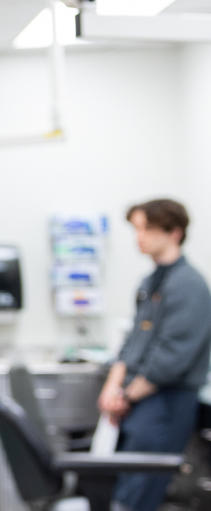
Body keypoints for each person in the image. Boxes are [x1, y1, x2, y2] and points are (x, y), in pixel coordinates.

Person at [96, 199, 211, 511]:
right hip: (138, 401)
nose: (139, 237)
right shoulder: (151, 282)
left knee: (142, 491)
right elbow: (133, 340)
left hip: (165, 403)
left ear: (174, 232)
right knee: (126, 485)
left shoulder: (189, 285)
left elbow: (171, 360)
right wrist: (112, 386)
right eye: (136, 229)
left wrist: (127, 396)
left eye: (146, 228)